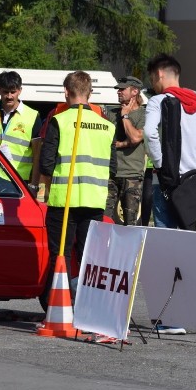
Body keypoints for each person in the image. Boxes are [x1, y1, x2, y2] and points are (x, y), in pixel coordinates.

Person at [39, 71, 115, 303]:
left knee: (59, 256)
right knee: (88, 257)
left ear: (66, 92)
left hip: (65, 200)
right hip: (94, 201)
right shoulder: (107, 125)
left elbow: (46, 164)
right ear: (90, 93)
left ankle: (59, 308)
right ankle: (88, 309)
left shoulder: (59, 121)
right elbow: (112, 166)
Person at [144, 54, 196, 231]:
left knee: (166, 233)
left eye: (152, 79)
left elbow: (150, 133)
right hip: (195, 179)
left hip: (167, 180)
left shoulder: (158, 101)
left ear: (159, 74)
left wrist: (160, 164)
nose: (153, 84)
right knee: (191, 232)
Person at [105, 76, 147, 226]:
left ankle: (130, 250)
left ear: (135, 91)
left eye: (123, 89)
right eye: (118, 89)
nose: (119, 92)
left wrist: (125, 116)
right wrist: (125, 143)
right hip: (111, 173)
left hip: (132, 175)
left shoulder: (144, 114)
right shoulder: (110, 114)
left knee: (130, 223)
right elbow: (106, 140)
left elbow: (135, 138)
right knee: (105, 221)